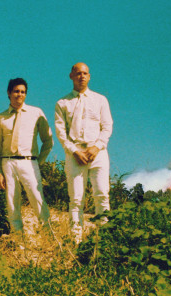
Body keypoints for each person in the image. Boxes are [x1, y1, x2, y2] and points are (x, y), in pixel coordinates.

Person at [54, 62, 113, 243]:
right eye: (78, 73)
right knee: (76, 198)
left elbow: (107, 126)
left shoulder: (100, 100)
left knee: (102, 194)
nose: (81, 76)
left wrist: (97, 147)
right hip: (75, 153)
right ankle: (76, 241)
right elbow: (61, 132)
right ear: (71, 76)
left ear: (89, 76)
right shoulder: (62, 103)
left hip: (98, 152)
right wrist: (74, 151)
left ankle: (103, 239)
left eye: (85, 73)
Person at [0, 78, 53, 235]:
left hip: (29, 161)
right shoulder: (0, 118)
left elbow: (48, 140)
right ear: (9, 93)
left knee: (37, 198)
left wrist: (39, 162)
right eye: (16, 91)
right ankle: (19, 240)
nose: (19, 94)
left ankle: (48, 236)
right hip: (8, 162)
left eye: (22, 92)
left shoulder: (36, 113)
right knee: (12, 202)